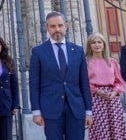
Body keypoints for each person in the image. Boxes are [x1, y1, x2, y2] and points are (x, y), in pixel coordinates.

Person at [29, 11, 93, 140]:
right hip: (50, 109)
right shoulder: (38, 52)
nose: (57, 29)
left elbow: (84, 82)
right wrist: (36, 111)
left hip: (75, 108)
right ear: (47, 28)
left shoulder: (78, 51)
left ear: (66, 26)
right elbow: (34, 84)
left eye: (60, 25)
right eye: (52, 26)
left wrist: (88, 111)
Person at [85, 32, 126, 140]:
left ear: (103, 45)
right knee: (99, 128)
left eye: (99, 42)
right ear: (89, 45)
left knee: (116, 128)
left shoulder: (112, 62)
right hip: (95, 99)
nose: (97, 45)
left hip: (112, 99)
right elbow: (84, 82)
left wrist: (114, 92)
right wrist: (97, 91)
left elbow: (120, 81)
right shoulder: (86, 63)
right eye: (93, 42)